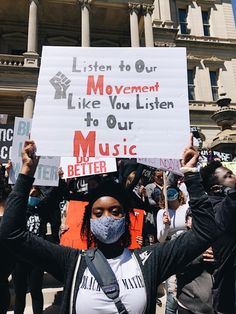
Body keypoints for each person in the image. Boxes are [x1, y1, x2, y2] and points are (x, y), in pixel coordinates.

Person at [0, 139, 218, 314]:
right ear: (89, 221)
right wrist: (26, 173)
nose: (107, 217)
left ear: (125, 218)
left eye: (115, 211)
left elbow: (204, 231)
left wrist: (191, 174)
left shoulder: (151, 260)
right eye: (98, 212)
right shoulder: (71, 262)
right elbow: (11, 234)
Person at [200, 160, 236, 314]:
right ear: (216, 188)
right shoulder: (214, 209)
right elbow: (225, 215)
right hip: (228, 295)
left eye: (232, 173)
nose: (233, 177)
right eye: (228, 176)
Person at [156, 186, 188, 314]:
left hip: (188, 252)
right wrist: (165, 226)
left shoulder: (187, 208)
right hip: (172, 253)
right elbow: (161, 239)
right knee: (172, 290)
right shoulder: (162, 213)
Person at [176, 209, 215, 314]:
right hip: (188, 305)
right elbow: (178, 265)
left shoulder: (212, 239)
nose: (198, 220)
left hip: (209, 304)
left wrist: (217, 257)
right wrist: (201, 255)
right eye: (193, 217)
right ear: (186, 222)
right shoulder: (179, 240)